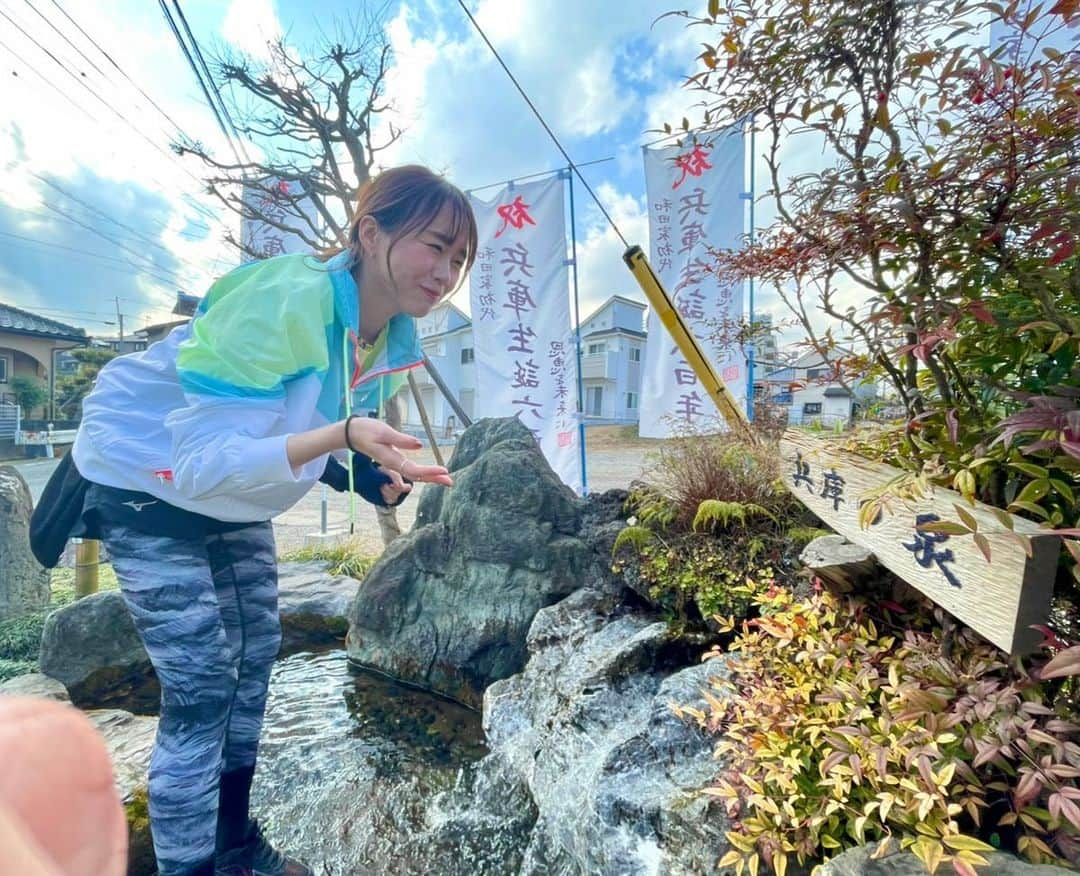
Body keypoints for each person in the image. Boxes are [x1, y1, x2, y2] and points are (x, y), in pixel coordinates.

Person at [65, 165, 477, 876]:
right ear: (370, 231)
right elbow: (203, 459)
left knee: (254, 661)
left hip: (232, 493)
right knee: (199, 692)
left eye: (460, 259)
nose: (446, 272)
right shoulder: (288, 295)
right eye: (435, 246)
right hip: (149, 479)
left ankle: (235, 847)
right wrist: (344, 436)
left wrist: (360, 472)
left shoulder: (380, 332)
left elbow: (287, 420)